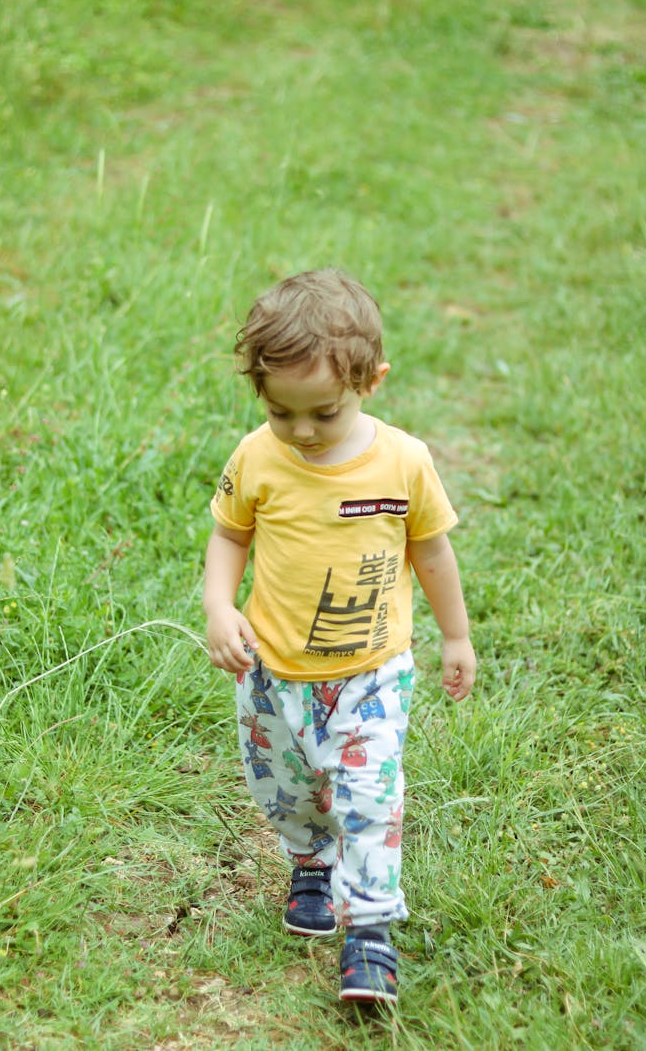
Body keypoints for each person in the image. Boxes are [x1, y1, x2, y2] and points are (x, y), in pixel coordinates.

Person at [203, 268, 475, 1004]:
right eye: (280, 410)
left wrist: (456, 635)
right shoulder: (257, 456)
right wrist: (219, 607)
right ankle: (310, 863)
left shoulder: (403, 462)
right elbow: (229, 535)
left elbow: (433, 552)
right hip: (271, 670)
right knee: (286, 788)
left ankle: (370, 933)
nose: (300, 431)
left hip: (373, 669)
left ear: (372, 380)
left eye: (322, 412)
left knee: (368, 795)